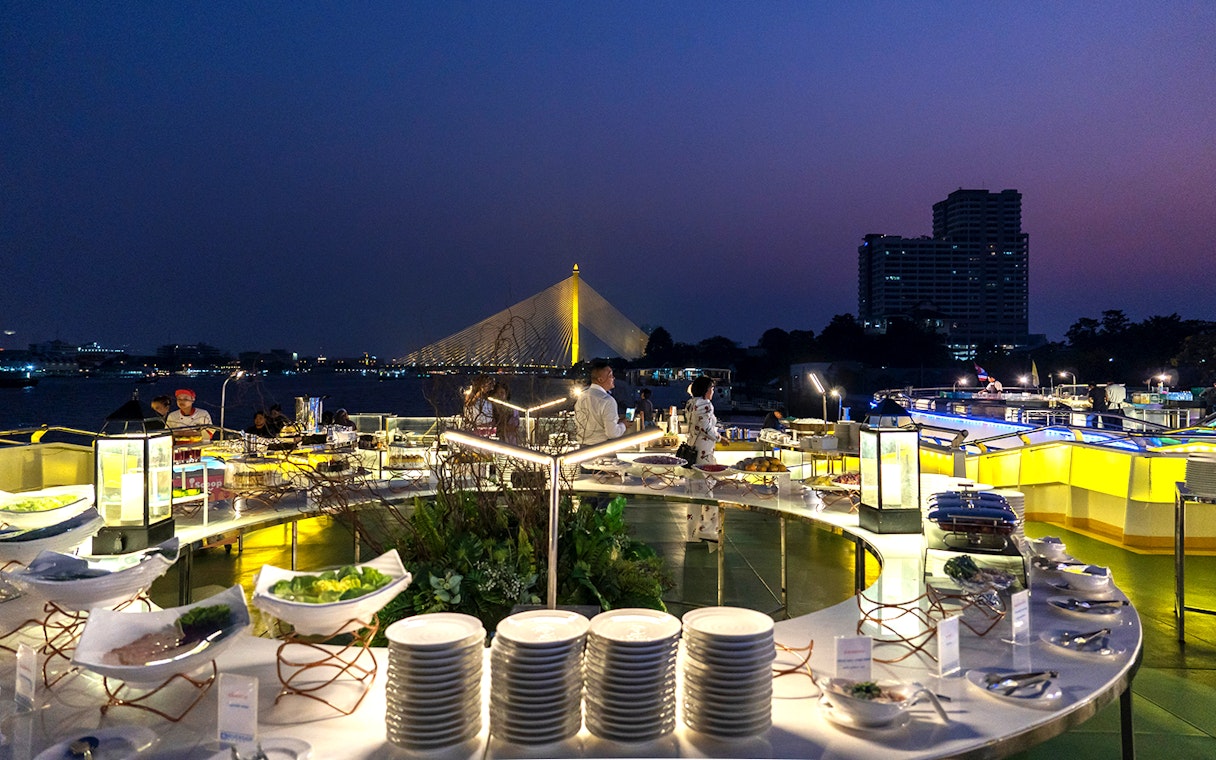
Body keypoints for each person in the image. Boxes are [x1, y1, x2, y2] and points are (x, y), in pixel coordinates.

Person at [685, 375, 727, 542]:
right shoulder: (705, 404)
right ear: (706, 390)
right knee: (707, 491)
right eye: (711, 389)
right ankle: (708, 530)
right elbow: (705, 427)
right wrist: (720, 438)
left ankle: (693, 532)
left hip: (693, 450)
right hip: (704, 451)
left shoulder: (690, 403)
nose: (713, 392)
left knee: (694, 491)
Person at [574, 360, 625, 445]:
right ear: (600, 379)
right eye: (610, 375)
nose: (613, 378)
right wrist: (623, 425)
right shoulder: (607, 400)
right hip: (602, 448)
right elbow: (612, 433)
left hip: (582, 449)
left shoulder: (582, 397)